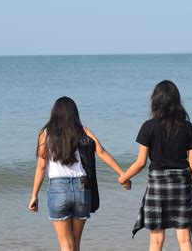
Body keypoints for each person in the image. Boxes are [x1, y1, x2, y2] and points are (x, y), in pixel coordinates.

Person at [28, 96, 130, 251]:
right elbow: (101, 151)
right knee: (75, 245)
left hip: (58, 189)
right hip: (82, 188)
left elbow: (42, 167)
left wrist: (34, 195)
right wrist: (123, 174)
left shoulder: (45, 133)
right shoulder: (83, 131)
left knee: (66, 246)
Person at [119, 80, 192, 251]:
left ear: (155, 101)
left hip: (158, 185)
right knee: (185, 239)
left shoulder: (148, 127)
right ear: (176, 101)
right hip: (182, 185)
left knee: (156, 240)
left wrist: (124, 177)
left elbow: (141, 162)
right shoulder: (187, 127)